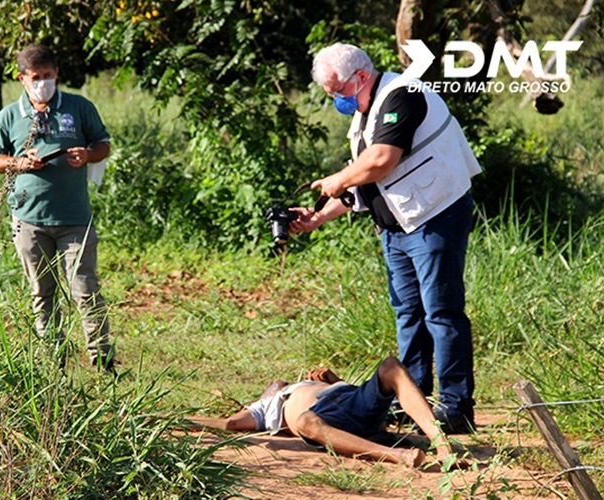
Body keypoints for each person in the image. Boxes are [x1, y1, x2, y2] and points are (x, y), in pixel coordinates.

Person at [289, 43, 481, 433]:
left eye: (338, 90)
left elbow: (381, 161)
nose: (336, 99)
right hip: (397, 228)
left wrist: (336, 179)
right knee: (408, 316)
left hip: (435, 217)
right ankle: (413, 400)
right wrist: (317, 217)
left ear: (361, 76)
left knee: (442, 314)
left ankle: (456, 408)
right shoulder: (363, 115)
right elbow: (366, 181)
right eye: (330, 94)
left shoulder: (403, 95)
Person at [0, 44, 114, 372]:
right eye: (35, 77)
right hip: (29, 219)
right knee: (42, 293)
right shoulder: (9, 116)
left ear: (56, 74)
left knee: (85, 289)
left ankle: (102, 359)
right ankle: (51, 361)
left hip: (73, 218)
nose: (43, 82)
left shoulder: (78, 107)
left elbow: (103, 144)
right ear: (22, 79)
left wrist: (87, 155)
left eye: (48, 76)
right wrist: (20, 162)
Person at [197, 357, 464, 468]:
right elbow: (229, 424)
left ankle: (442, 445)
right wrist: (167, 419)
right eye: (270, 385)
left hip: (350, 400)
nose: (275, 382)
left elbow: (350, 395)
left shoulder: (311, 385)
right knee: (305, 421)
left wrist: (333, 379)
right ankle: (399, 456)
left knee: (391, 366)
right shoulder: (265, 407)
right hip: (326, 421)